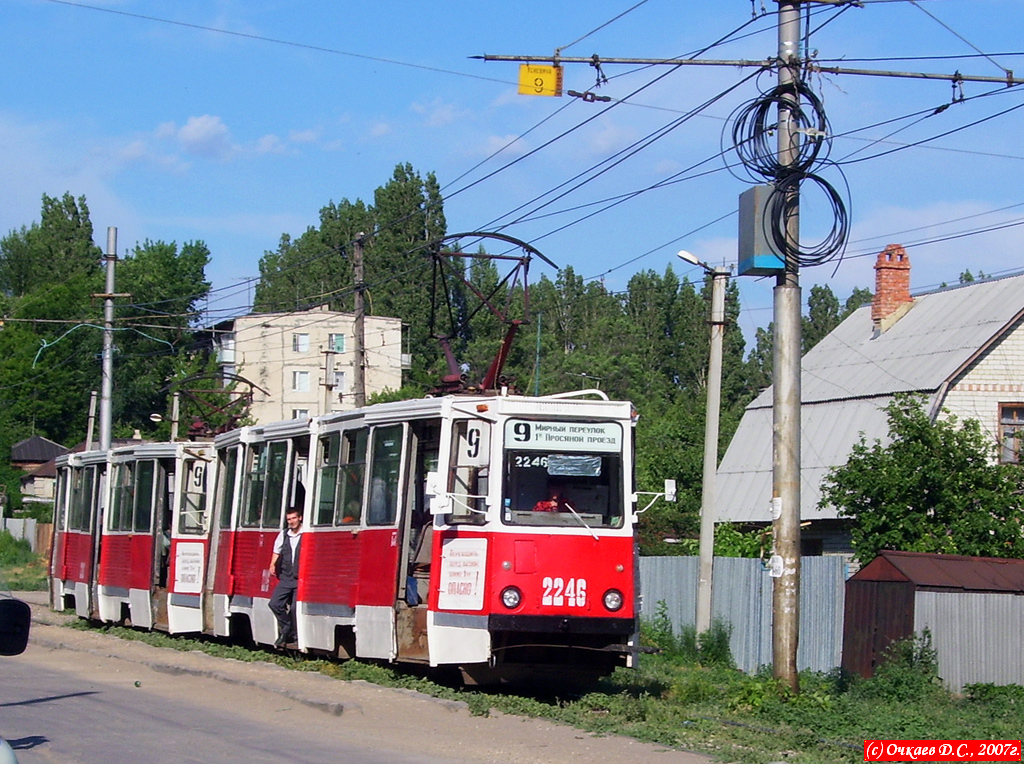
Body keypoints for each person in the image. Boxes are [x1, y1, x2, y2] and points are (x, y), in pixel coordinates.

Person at [267, 508, 302, 649]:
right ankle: (287, 627)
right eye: (289, 519)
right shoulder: (284, 535)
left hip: (300, 578)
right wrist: (272, 564)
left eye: (294, 518)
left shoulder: (306, 534)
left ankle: (293, 634)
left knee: (295, 608)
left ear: (300, 518)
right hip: (287, 577)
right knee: (274, 603)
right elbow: (277, 550)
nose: (291, 522)